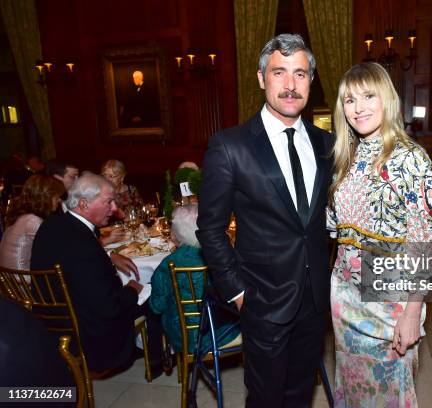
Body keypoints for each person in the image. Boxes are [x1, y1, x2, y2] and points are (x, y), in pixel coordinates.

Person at [197, 33, 334, 407]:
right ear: (261, 78)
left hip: (314, 299)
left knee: (300, 394)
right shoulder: (230, 146)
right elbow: (209, 229)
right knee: (265, 398)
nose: (290, 85)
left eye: (300, 74)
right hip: (262, 300)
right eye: (279, 72)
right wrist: (239, 293)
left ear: (310, 81)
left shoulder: (328, 145)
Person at [327, 62, 432, 407]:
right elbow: (333, 228)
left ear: (387, 99)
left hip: (392, 299)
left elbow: (426, 245)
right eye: (349, 100)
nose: (358, 108)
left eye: (368, 96)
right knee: (351, 387)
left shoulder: (411, 159)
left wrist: (411, 313)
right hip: (344, 294)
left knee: (391, 389)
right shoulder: (344, 157)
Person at [30, 172, 164, 374]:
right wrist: (132, 289)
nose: (114, 209)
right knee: (157, 293)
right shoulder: (83, 245)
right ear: (84, 204)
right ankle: (156, 360)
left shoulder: (53, 225)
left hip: (53, 321)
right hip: (89, 333)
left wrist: (109, 255)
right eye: (109, 202)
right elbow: (109, 307)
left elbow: (78, 266)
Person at [150, 205, 240, 354]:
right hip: (226, 328)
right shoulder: (223, 255)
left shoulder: (168, 264)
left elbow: (156, 306)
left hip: (187, 336)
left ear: (176, 233)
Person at [0, 175, 64, 270]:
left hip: (11, 280)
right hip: (24, 281)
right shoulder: (32, 221)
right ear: (46, 196)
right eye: (56, 196)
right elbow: (57, 249)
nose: (59, 200)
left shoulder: (23, 217)